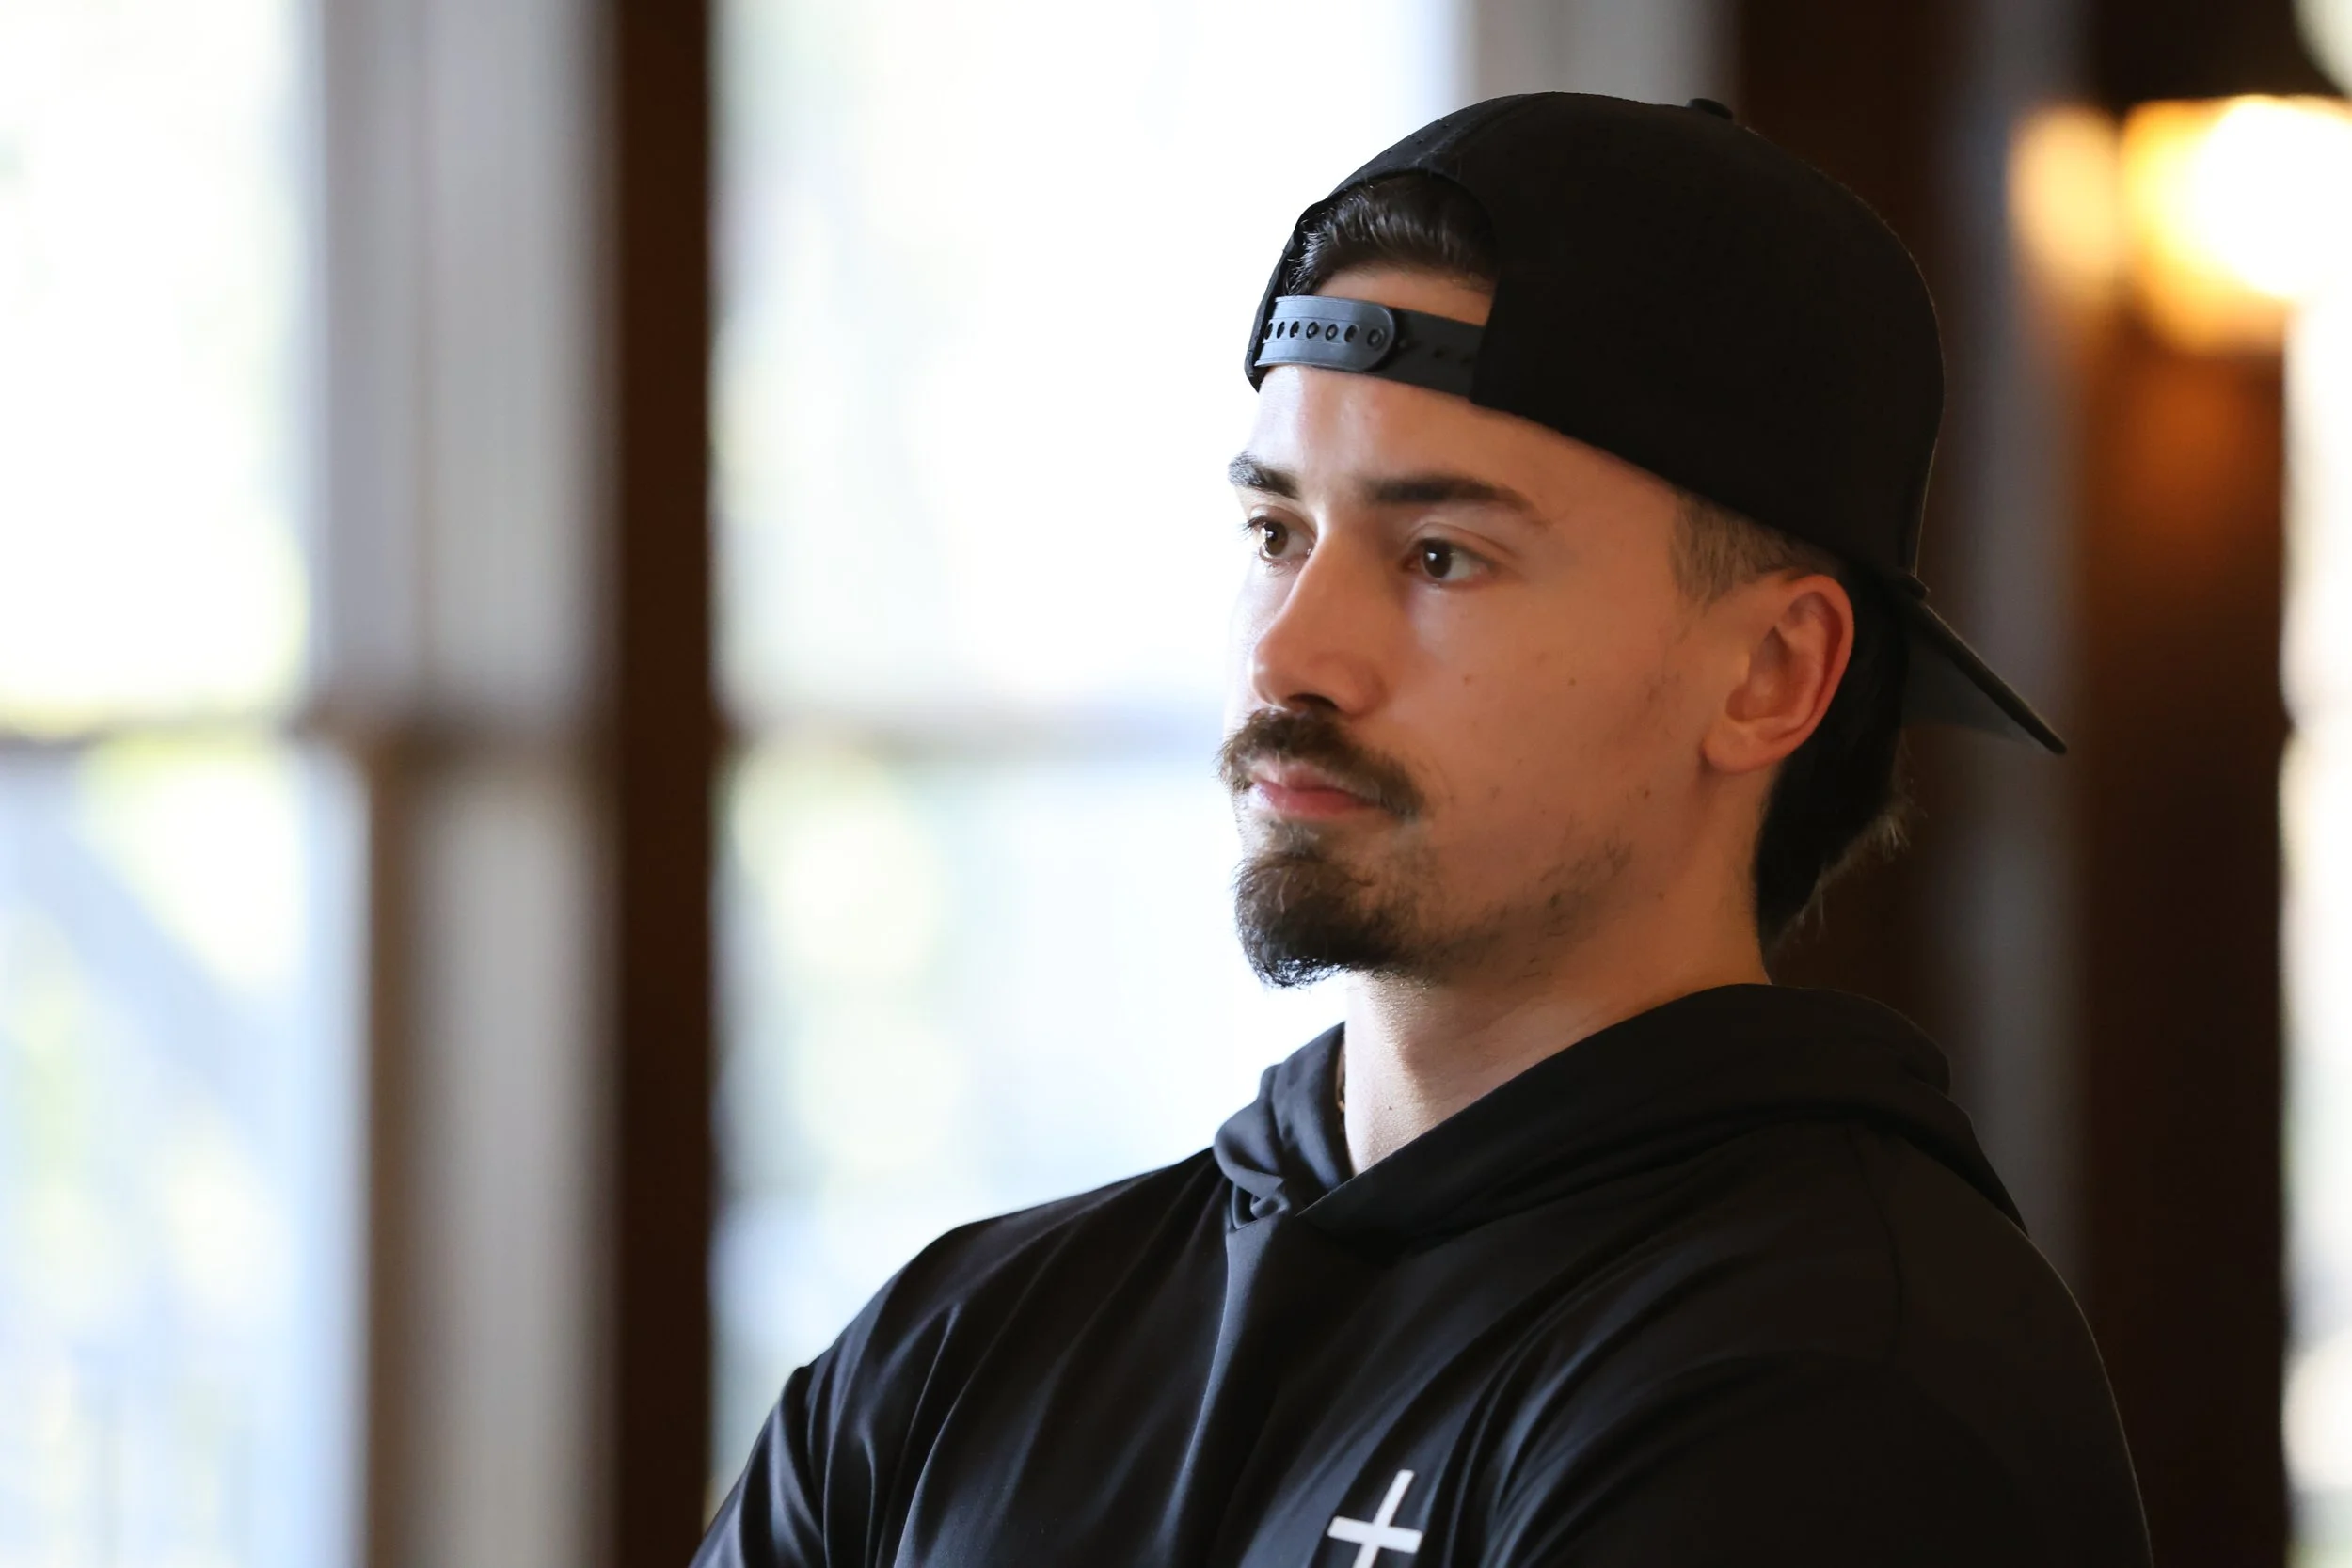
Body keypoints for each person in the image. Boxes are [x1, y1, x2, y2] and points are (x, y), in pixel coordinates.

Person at [695, 93, 2149, 1567]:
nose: (1290, 656)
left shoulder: (1835, 1394)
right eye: (1277, 534)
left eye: (1443, 555)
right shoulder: (956, 1355)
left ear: (1769, 674)